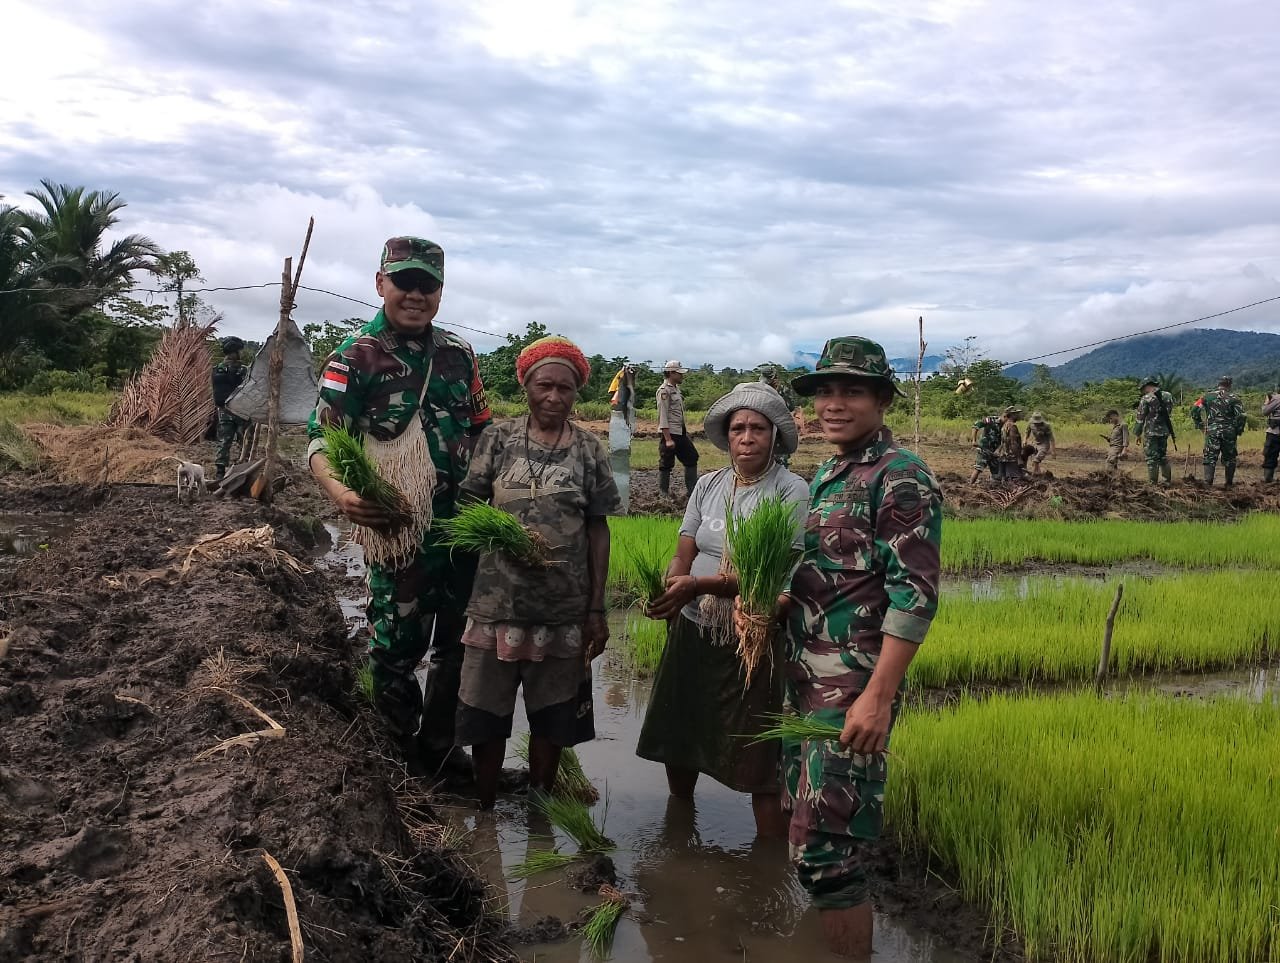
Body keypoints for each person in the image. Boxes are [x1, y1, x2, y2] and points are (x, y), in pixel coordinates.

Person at [754, 336, 942, 959]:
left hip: (850, 691)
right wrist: (780, 599)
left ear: (883, 399)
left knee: (825, 854)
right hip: (807, 681)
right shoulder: (834, 471)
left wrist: (877, 699)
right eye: (825, 391)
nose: (834, 404)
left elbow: (914, 595)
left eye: (852, 391)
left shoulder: (901, 477)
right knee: (807, 837)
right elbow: (837, 569)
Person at [307, 236, 491, 781]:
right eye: (404, 282)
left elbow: (482, 430)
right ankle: (394, 762)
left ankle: (440, 751)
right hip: (399, 532)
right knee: (396, 646)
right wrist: (343, 497)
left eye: (427, 285)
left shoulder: (457, 355)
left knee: (459, 645)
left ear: (439, 291)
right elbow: (319, 441)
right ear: (381, 283)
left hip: (462, 529)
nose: (416, 294)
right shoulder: (355, 357)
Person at [454, 336, 621, 810]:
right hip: (495, 603)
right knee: (486, 712)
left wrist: (595, 607)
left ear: (576, 393)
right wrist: (503, 536)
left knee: (553, 715)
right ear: (526, 385)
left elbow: (598, 528)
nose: (553, 396)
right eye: (543, 385)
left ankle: (539, 807)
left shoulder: (589, 449)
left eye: (565, 388)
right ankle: (485, 805)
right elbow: (468, 506)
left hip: (562, 607)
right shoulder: (498, 439)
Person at [636, 381, 808, 838]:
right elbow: (685, 548)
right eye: (737, 429)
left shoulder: (791, 490)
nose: (746, 437)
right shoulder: (709, 485)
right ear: (726, 436)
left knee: (758, 755)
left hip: (751, 633)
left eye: (756, 428)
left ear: (774, 436)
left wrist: (700, 585)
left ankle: (769, 857)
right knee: (681, 731)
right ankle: (680, 827)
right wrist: (676, 585)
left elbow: (773, 573)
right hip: (695, 625)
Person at [1191, 375, 1246, 486]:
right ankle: (1229, 484)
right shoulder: (1235, 398)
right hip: (1229, 432)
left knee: (1210, 456)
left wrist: (1200, 425)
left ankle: (1208, 482)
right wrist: (1238, 430)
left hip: (1212, 432)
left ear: (1218, 384)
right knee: (1230, 458)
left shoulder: (1207, 397)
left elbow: (1194, 410)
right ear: (1230, 385)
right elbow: (1241, 416)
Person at [656, 359, 699, 499]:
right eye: (679, 373)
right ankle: (663, 493)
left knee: (692, 457)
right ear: (671, 373)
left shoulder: (676, 389)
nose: (682, 376)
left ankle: (691, 491)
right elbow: (663, 415)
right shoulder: (664, 391)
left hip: (680, 432)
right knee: (666, 463)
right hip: (670, 434)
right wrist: (668, 439)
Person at [211, 337, 250, 481]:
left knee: (224, 442)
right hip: (240, 412)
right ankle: (244, 469)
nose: (240, 353)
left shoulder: (218, 369)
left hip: (225, 412)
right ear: (233, 352)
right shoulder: (242, 370)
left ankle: (220, 473)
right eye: (238, 351)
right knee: (244, 441)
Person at [760, 365, 804, 465]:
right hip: (764, 428)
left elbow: (791, 408)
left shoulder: (784, 391)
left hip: (780, 428)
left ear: (775, 379)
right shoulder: (761, 389)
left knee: (780, 460)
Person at [1134, 375, 1175, 485]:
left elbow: (1140, 418)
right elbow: (1169, 412)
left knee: (1152, 458)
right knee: (1162, 456)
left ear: (1147, 386)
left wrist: (1137, 434)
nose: (1143, 391)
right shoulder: (1168, 395)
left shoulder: (1146, 398)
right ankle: (1167, 482)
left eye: (1143, 389)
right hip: (1164, 431)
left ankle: (1153, 483)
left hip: (1151, 432)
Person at [968, 413, 1002, 483]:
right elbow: (976, 425)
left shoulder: (1007, 425)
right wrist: (974, 440)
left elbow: (1004, 440)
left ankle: (994, 486)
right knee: (978, 468)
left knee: (996, 472)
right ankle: (970, 484)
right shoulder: (991, 420)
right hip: (984, 448)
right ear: (1006, 416)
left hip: (995, 451)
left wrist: (999, 450)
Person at [996, 406, 1023, 480]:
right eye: (1016, 414)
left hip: (1003, 455)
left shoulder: (1004, 425)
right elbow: (1013, 443)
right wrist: (1019, 458)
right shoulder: (1012, 426)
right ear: (1012, 415)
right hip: (1011, 456)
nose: (1018, 415)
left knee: (1002, 478)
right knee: (1014, 478)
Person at [1262, 388, 1280, 482]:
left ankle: (1268, 479)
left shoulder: (1277, 398)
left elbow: (1265, 412)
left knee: (1270, 456)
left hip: (1275, 432)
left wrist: (1267, 402)